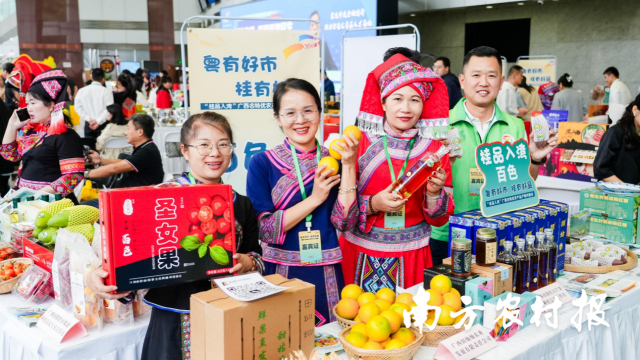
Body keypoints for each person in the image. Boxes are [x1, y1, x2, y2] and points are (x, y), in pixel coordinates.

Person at [87, 112, 263, 360]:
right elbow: (131, 251)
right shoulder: (159, 199)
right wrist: (100, 276)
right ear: (185, 150)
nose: (214, 153)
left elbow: (257, 254)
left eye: (223, 144)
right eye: (203, 145)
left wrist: (248, 262)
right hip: (172, 318)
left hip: (228, 312)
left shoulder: (241, 204)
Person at [429, 47, 559, 265]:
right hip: (446, 231)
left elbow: (525, 181)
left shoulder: (516, 126)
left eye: (491, 76)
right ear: (462, 80)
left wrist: (535, 158)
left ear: (500, 81)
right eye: (476, 75)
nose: (483, 82)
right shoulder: (440, 124)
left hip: (497, 230)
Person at [338, 52, 454, 289]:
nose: (406, 108)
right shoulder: (358, 142)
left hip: (411, 255)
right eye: (397, 99)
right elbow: (340, 215)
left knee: (407, 323)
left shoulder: (435, 150)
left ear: (424, 104)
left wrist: (433, 193)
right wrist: (372, 205)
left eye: (415, 100)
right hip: (360, 250)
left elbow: (440, 219)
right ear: (383, 102)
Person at [247, 78, 357, 326]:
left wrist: (349, 164)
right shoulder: (262, 163)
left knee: (330, 344)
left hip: (327, 269)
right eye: (290, 113)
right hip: (280, 271)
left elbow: (346, 222)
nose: (301, 120)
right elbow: (264, 229)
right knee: (282, 339)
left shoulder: (337, 159)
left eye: (308, 111)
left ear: (320, 112)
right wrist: (316, 198)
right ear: (278, 118)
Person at [0, 69, 85, 201]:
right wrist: (12, 126)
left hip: (51, 206)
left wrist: (36, 195)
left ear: (51, 105)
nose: (29, 108)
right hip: (27, 202)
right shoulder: (31, 131)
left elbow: (73, 176)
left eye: (33, 103)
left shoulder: (67, 135)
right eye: (27, 104)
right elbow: (9, 155)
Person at [85, 113, 164, 191]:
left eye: (128, 128)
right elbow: (123, 163)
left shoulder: (147, 151)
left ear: (140, 132)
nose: (126, 133)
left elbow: (114, 168)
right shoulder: (145, 147)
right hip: (127, 195)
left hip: (134, 199)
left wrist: (83, 175)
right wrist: (100, 160)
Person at [594, 94, 640, 184]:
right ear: (635, 110)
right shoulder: (615, 133)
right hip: (616, 194)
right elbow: (601, 169)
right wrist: (627, 189)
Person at [74, 68, 114, 139]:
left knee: (89, 148)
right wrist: (98, 122)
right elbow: (110, 109)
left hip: (88, 124)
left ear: (91, 78)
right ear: (103, 79)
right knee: (103, 148)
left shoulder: (81, 91)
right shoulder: (107, 91)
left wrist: (89, 119)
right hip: (103, 125)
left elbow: (78, 107)